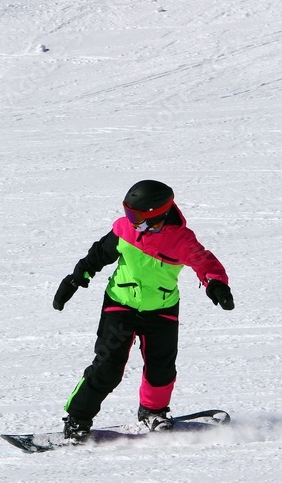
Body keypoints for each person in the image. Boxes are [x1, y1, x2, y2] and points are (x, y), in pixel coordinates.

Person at [52, 179, 235, 442]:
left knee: (161, 368)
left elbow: (204, 262)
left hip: (161, 309)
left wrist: (216, 284)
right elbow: (98, 255)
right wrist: (76, 279)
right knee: (107, 367)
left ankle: (153, 411)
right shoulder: (125, 229)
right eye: (128, 213)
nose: (130, 220)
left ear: (156, 215)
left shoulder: (181, 240)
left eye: (135, 215)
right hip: (120, 303)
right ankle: (77, 420)